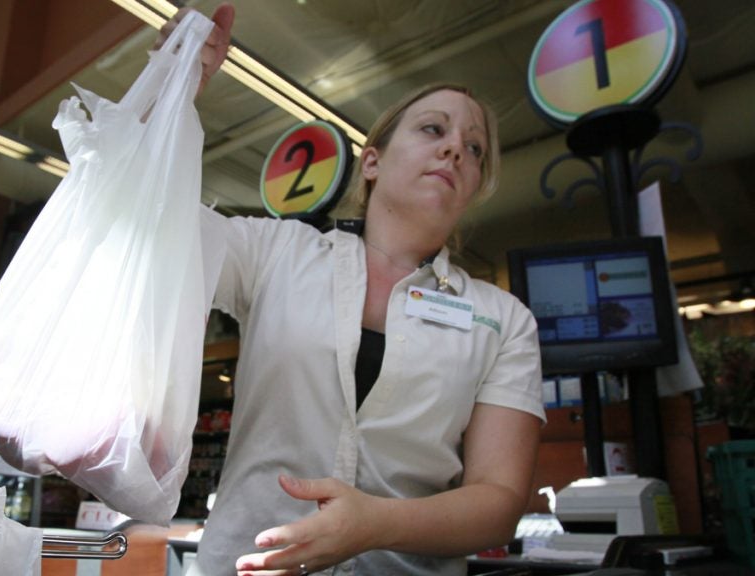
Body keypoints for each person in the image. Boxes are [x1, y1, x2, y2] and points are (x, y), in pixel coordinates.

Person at [159, 5, 545, 575]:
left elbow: (497, 503)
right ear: (371, 161)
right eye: (433, 129)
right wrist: (168, 89)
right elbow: (145, 225)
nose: (455, 149)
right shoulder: (277, 253)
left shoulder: (504, 321)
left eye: (475, 147)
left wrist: (374, 525)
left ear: (473, 188)